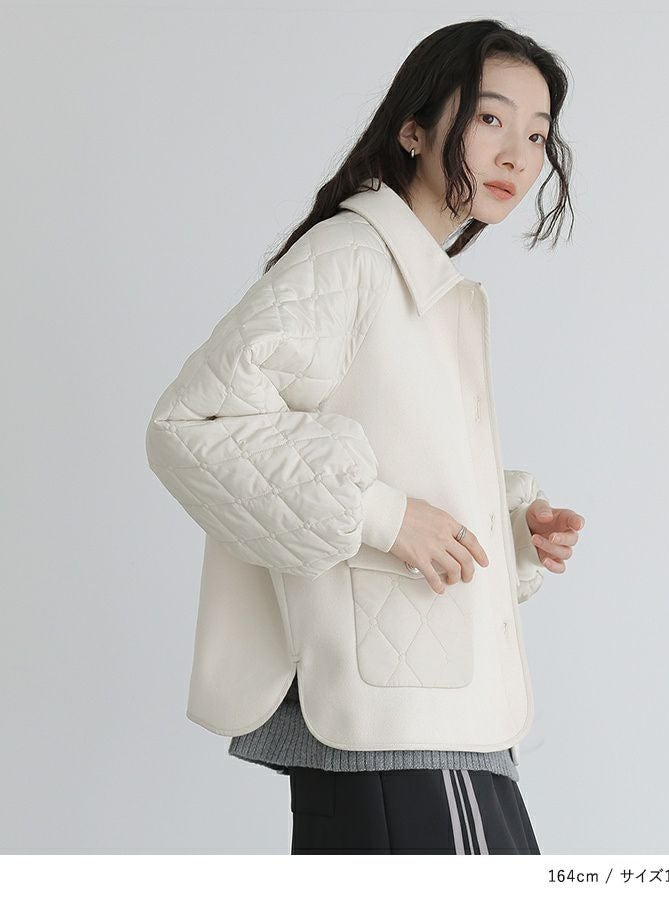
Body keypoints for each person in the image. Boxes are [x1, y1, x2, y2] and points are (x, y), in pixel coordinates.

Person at [145, 18, 585, 854]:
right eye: (490, 118)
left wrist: (506, 529)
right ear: (413, 128)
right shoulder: (352, 257)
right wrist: (385, 516)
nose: (518, 156)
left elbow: (392, 458)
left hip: (422, 704)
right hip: (398, 719)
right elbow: (192, 426)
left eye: (536, 134)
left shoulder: (421, 279)